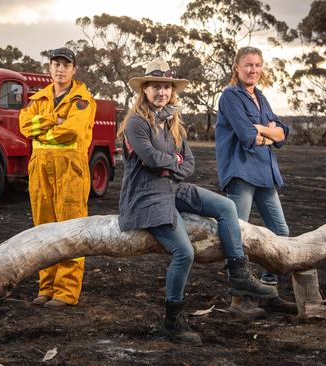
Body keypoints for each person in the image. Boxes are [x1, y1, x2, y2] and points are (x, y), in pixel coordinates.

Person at [117, 59, 278, 346]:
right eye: (155, 86)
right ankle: (173, 320)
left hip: (174, 188)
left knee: (226, 207)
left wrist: (171, 164)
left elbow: (188, 163)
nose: (161, 92)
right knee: (184, 253)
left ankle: (238, 272)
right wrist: (171, 162)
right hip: (147, 196)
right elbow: (152, 160)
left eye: (166, 87)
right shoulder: (136, 124)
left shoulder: (172, 121)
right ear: (144, 90)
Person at [215, 46, 292, 318]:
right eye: (248, 65)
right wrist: (263, 131)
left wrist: (264, 130)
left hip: (265, 173)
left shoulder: (260, 96)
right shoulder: (230, 97)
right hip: (241, 172)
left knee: (281, 233)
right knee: (239, 237)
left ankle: (269, 291)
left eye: (258, 65)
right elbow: (247, 136)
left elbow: (283, 133)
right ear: (236, 67)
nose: (253, 70)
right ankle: (239, 302)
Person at [18, 47, 97, 309]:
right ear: (49, 68)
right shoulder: (38, 99)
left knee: (71, 230)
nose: (60, 69)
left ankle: (66, 291)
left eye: (66, 65)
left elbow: (72, 131)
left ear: (74, 69)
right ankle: (46, 287)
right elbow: (24, 125)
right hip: (40, 169)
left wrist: (44, 130)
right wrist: (56, 120)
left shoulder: (82, 100)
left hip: (70, 170)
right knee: (43, 230)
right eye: (56, 64)